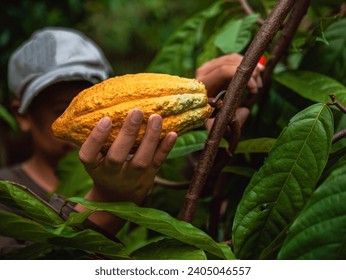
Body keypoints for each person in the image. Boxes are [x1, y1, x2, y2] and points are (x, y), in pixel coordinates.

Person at [0, 27, 264, 256]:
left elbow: (198, 195)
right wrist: (107, 201)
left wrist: (210, 122)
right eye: (60, 107)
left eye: (97, 101)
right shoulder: (6, 195)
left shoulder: (144, 169)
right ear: (21, 116)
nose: (97, 123)